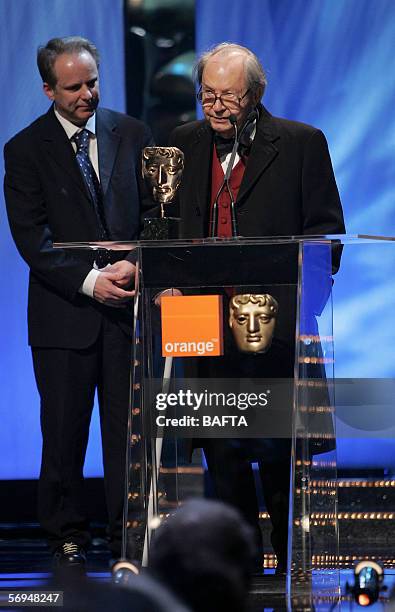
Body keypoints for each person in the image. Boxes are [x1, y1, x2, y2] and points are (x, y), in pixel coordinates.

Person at [168, 42, 345, 572]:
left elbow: (325, 236)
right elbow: (167, 231)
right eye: (208, 95)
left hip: (273, 325)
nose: (216, 107)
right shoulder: (182, 144)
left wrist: (301, 302)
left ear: (256, 95)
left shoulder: (299, 143)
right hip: (201, 323)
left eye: (229, 97)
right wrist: (167, 283)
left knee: (276, 454)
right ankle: (236, 568)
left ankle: (294, 565)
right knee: (221, 455)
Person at [3, 36, 153, 568]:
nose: (87, 93)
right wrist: (91, 280)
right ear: (49, 89)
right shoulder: (24, 150)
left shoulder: (131, 133)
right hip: (63, 316)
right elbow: (32, 239)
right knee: (63, 435)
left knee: (127, 435)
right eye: (74, 87)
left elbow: (154, 216)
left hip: (126, 313)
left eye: (92, 81)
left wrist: (136, 262)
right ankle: (66, 536)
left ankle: (127, 538)